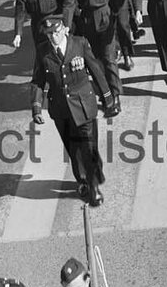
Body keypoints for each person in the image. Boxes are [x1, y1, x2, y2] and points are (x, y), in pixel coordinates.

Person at [30, 13, 117, 207]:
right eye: (49, 34)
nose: (53, 37)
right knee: (74, 149)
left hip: (84, 105)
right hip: (60, 109)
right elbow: (37, 81)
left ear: (63, 29)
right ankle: (83, 180)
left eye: (56, 32)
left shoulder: (79, 44)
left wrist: (108, 97)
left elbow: (95, 69)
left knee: (88, 147)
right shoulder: (43, 51)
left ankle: (93, 187)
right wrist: (36, 107)